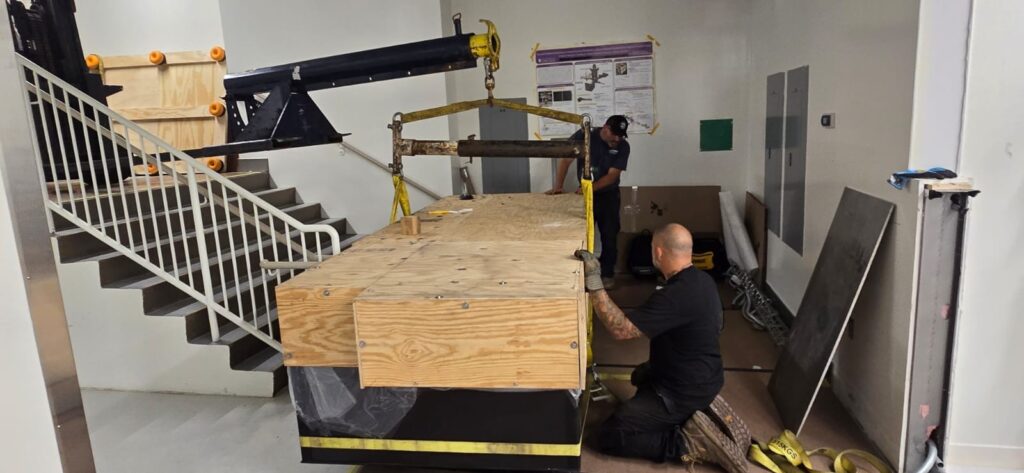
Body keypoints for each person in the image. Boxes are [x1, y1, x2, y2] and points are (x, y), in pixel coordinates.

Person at [574, 223, 749, 472]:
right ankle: (692, 414)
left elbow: (621, 329)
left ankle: (685, 443)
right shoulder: (703, 281)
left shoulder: (675, 296)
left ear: (658, 252)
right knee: (641, 376)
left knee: (608, 436)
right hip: (705, 376)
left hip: (682, 390)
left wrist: (595, 284)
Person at [548, 115, 630, 288]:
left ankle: (607, 275)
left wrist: (589, 188)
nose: (617, 139)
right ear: (605, 128)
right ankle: (583, 275)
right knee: (583, 236)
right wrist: (558, 186)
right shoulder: (585, 136)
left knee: (609, 236)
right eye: (614, 134)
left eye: (621, 135)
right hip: (586, 197)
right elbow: (566, 159)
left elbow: (612, 176)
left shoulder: (623, 146)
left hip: (608, 196)